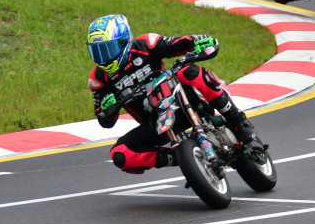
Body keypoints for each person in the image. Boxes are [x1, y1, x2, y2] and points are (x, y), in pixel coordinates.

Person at [87, 14, 259, 174]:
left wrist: (198, 41)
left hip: (179, 97)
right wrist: (108, 108)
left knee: (188, 71)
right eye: (98, 51)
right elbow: (105, 122)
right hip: (154, 122)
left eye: (108, 49)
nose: (104, 57)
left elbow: (180, 43)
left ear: (125, 41)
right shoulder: (98, 79)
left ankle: (239, 121)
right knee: (120, 153)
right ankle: (183, 157)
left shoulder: (146, 44)